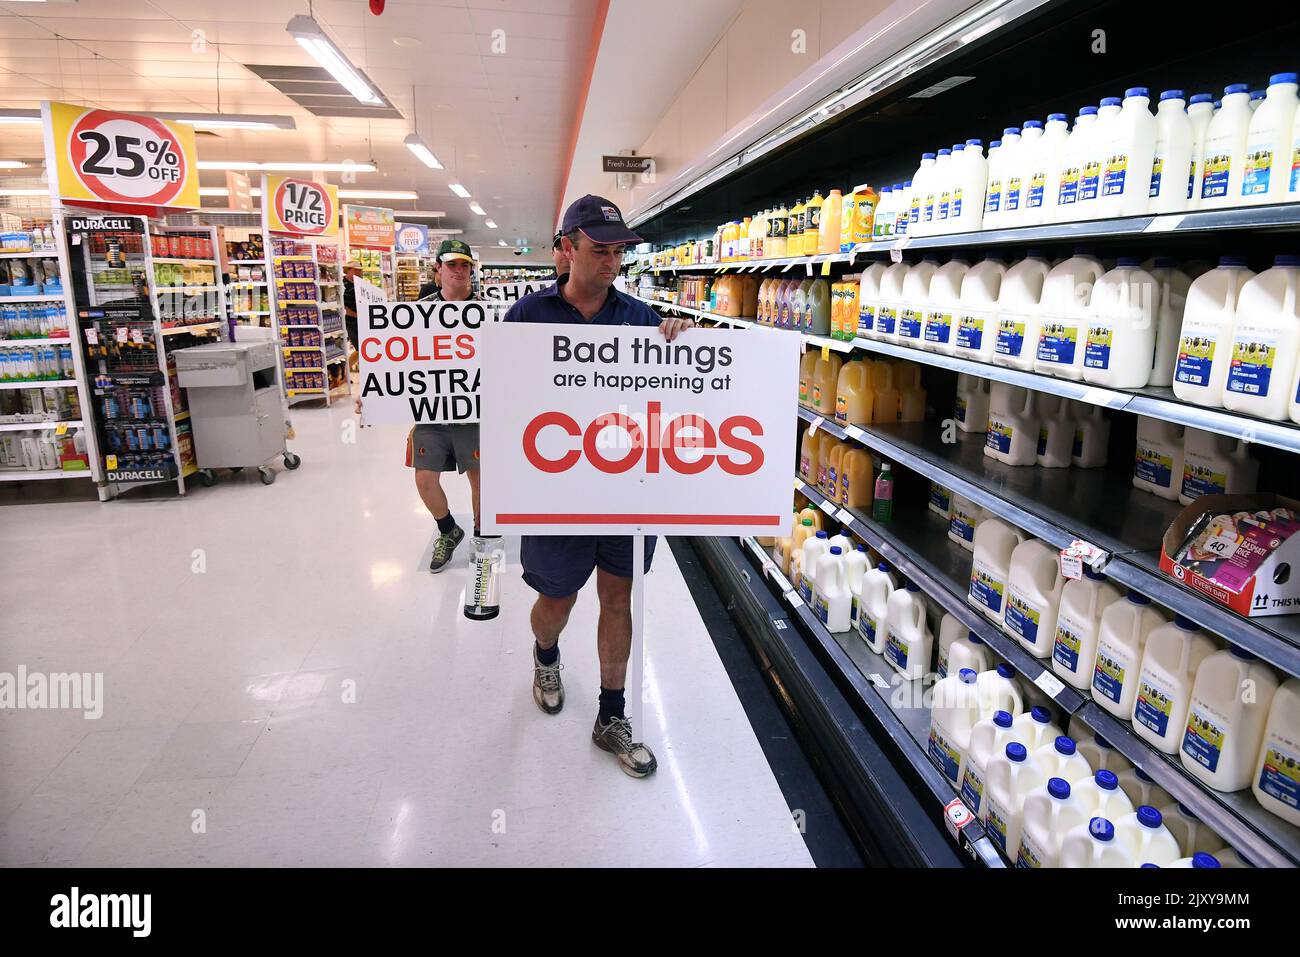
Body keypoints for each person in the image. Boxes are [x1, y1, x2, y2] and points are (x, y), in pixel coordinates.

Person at [503, 195, 695, 778]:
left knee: (618, 598)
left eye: (618, 251)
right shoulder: (527, 319)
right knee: (556, 602)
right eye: (598, 249)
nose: (611, 262)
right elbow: (507, 402)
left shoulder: (640, 320)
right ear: (565, 248)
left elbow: (678, 400)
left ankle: (612, 714)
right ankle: (546, 656)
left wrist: (681, 346)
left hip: (625, 492)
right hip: (556, 497)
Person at [403, 239, 483, 571]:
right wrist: (372, 391)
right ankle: (448, 529)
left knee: (481, 479)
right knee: (424, 479)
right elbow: (396, 359)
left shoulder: (486, 311)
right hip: (432, 409)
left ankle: (482, 534)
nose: (460, 271)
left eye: (465, 265)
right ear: (438, 268)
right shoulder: (417, 312)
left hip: (475, 410)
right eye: (452, 265)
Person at [343, 264, 362, 371]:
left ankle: (346, 371)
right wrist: (356, 315)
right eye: (357, 270)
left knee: (362, 347)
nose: (360, 273)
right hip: (350, 322)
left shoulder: (357, 284)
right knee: (361, 347)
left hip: (359, 321)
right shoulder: (343, 285)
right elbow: (343, 307)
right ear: (349, 270)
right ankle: (345, 371)